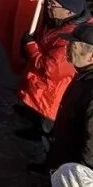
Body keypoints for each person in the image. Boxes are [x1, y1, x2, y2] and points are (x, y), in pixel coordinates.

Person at [16, 0, 91, 145]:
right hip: (44, 90)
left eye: (53, 5)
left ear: (69, 12)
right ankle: (34, 124)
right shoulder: (59, 21)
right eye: (49, 3)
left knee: (47, 129)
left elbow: (50, 70)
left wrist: (30, 46)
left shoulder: (71, 39)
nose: (48, 7)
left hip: (53, 93)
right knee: (38, 118)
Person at [47, 23, 93, 174]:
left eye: (73, 45)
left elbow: (91, 147)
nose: (66, 47)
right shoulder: (83, 74)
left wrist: (77, 178)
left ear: (91, 56)